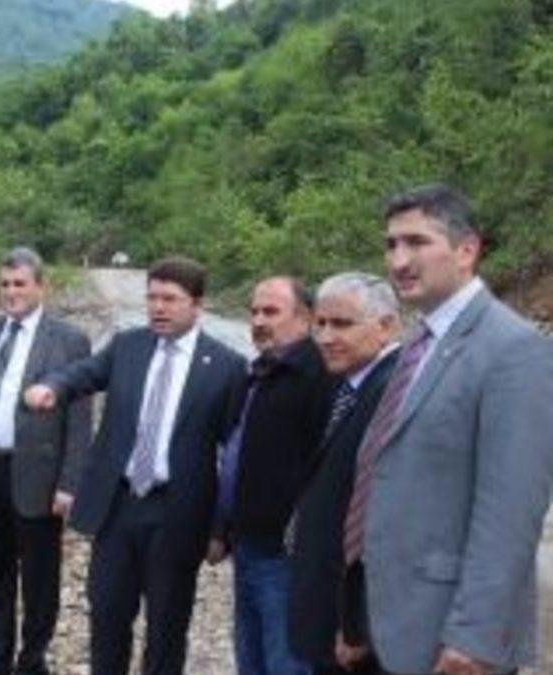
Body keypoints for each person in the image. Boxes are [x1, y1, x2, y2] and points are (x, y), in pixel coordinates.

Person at [357, 184, 553, 674]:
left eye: (417, 242)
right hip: (397, 619)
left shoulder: (513, 349)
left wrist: (475, 636)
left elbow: (511, 512)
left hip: (454, 641)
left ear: (467, 250)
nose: (398, 260)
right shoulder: (418, 344)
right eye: (391, 244)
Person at [24, 256, 246, 675]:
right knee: (107, 616)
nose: (158, 307)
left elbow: (234, 454)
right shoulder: (128, 346)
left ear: (197, 304)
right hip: (119, 506)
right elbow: (85, 373)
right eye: (152, 298)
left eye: (170, 299)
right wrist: (54, 386)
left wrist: (220, 529)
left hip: (177, 513)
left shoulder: (226, 367)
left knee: (166, 627)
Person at [0, 246, 91, 675]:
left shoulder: (68, 340)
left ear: (41, 287)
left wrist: (70, 482)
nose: (11, 292)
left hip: (40, 477)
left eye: (20, 284)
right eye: (5, 284)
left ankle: (32, 660)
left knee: (40, 579)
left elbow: (80, 420)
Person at [211, 276, 333, 675]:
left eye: (271, 312)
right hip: (246, 546)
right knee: (251, 659)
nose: (259, 321)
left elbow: (327, 470)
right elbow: (234, 457)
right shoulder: (258, 373)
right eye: (254, 312)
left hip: (286, 554)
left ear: (306, 318)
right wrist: (220, 528)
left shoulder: (319, 375)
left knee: (286, 662)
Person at [287, 272, 402, 675]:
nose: (324, 337)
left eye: (341, 324)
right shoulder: (352, 384)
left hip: (354, 629)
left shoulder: (392, 393)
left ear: (386, 326)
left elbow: (383, 521)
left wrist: (356, 624)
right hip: (331, 608)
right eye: (319, 323)